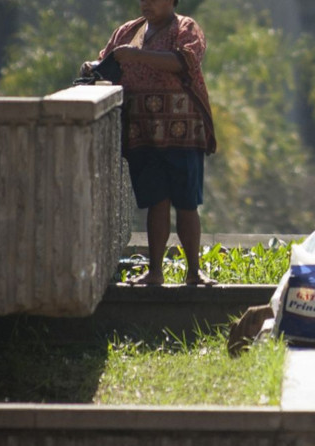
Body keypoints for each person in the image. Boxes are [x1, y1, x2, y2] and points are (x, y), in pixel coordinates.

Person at [81, 0, 217, 286]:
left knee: (186, 203)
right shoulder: (127, 32)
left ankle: (194, 272)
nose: (147, 3)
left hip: (182, 129)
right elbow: (109, 63)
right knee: (156, 201)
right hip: (143, 131)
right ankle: (155, 272)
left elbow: (185, 61)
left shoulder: (186, 28)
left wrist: (138, 56)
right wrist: (92, 68)